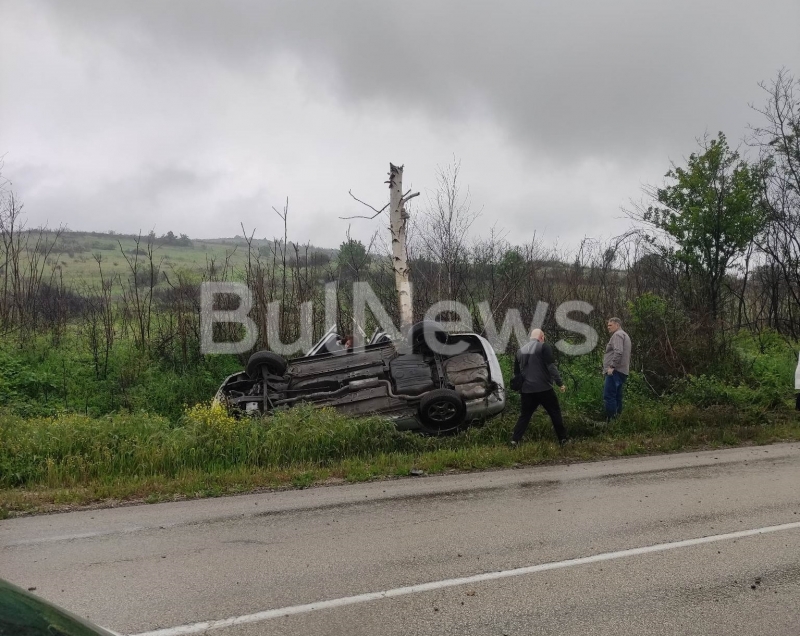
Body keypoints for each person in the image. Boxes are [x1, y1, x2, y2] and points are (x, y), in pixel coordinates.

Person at [511, 328, 568, 446]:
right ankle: (563, 440)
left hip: (527, 390)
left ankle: (514, 440)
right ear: (542, 337)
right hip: (544, 389)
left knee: (525, 416)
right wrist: (560, 383)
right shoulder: (543, 347)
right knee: (554, 413)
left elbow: (516, 373)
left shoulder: (520, 351)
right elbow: (551, 367)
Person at [603, 317, 632, 419]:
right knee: (617, 397)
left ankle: (611, 422)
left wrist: (612, 366)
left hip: (615, 371)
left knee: (609, 396)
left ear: (617, 325)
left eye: (610, 325)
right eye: (607, 325)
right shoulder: (625, 335)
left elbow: (618, 351)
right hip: (622, 371)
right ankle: (618, 421)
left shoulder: (618, 335)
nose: (608, 327)